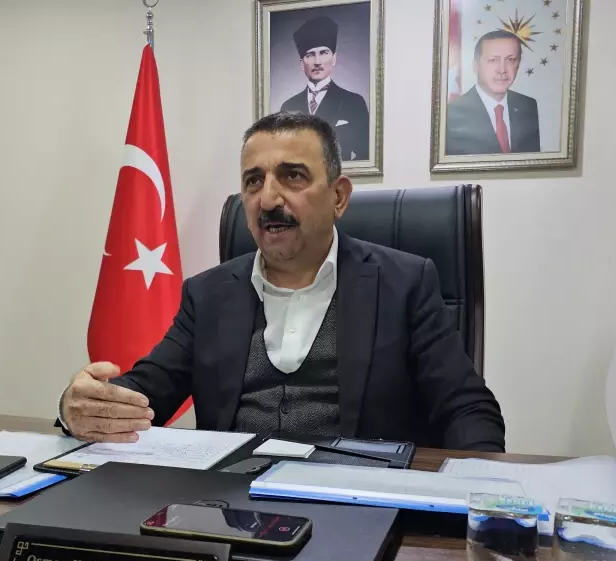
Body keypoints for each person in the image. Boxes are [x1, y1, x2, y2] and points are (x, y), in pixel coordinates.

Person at [59, 112, 505, 452]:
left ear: (338, 196)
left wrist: (472, 503)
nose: (268, 199)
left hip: (357, 503)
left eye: (292, 176)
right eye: (254, 181)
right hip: (231, 511)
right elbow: (145, 394)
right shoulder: (208, 294)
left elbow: (468, 409)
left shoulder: (404, 284)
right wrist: (79, 408)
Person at [279, 15, 370, 162]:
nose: (317, 61)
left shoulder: (354, 103)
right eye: (310, 55)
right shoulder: (288, 106)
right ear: (302, 64)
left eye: (323, 53)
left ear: (334, 59)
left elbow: (365, 156)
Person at [445, 30, 540, 156]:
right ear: (475, 66)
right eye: (493, 60)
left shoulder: (528, 106)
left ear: (518, 65)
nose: (502, 70)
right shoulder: (452, 113)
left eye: (510, 60)